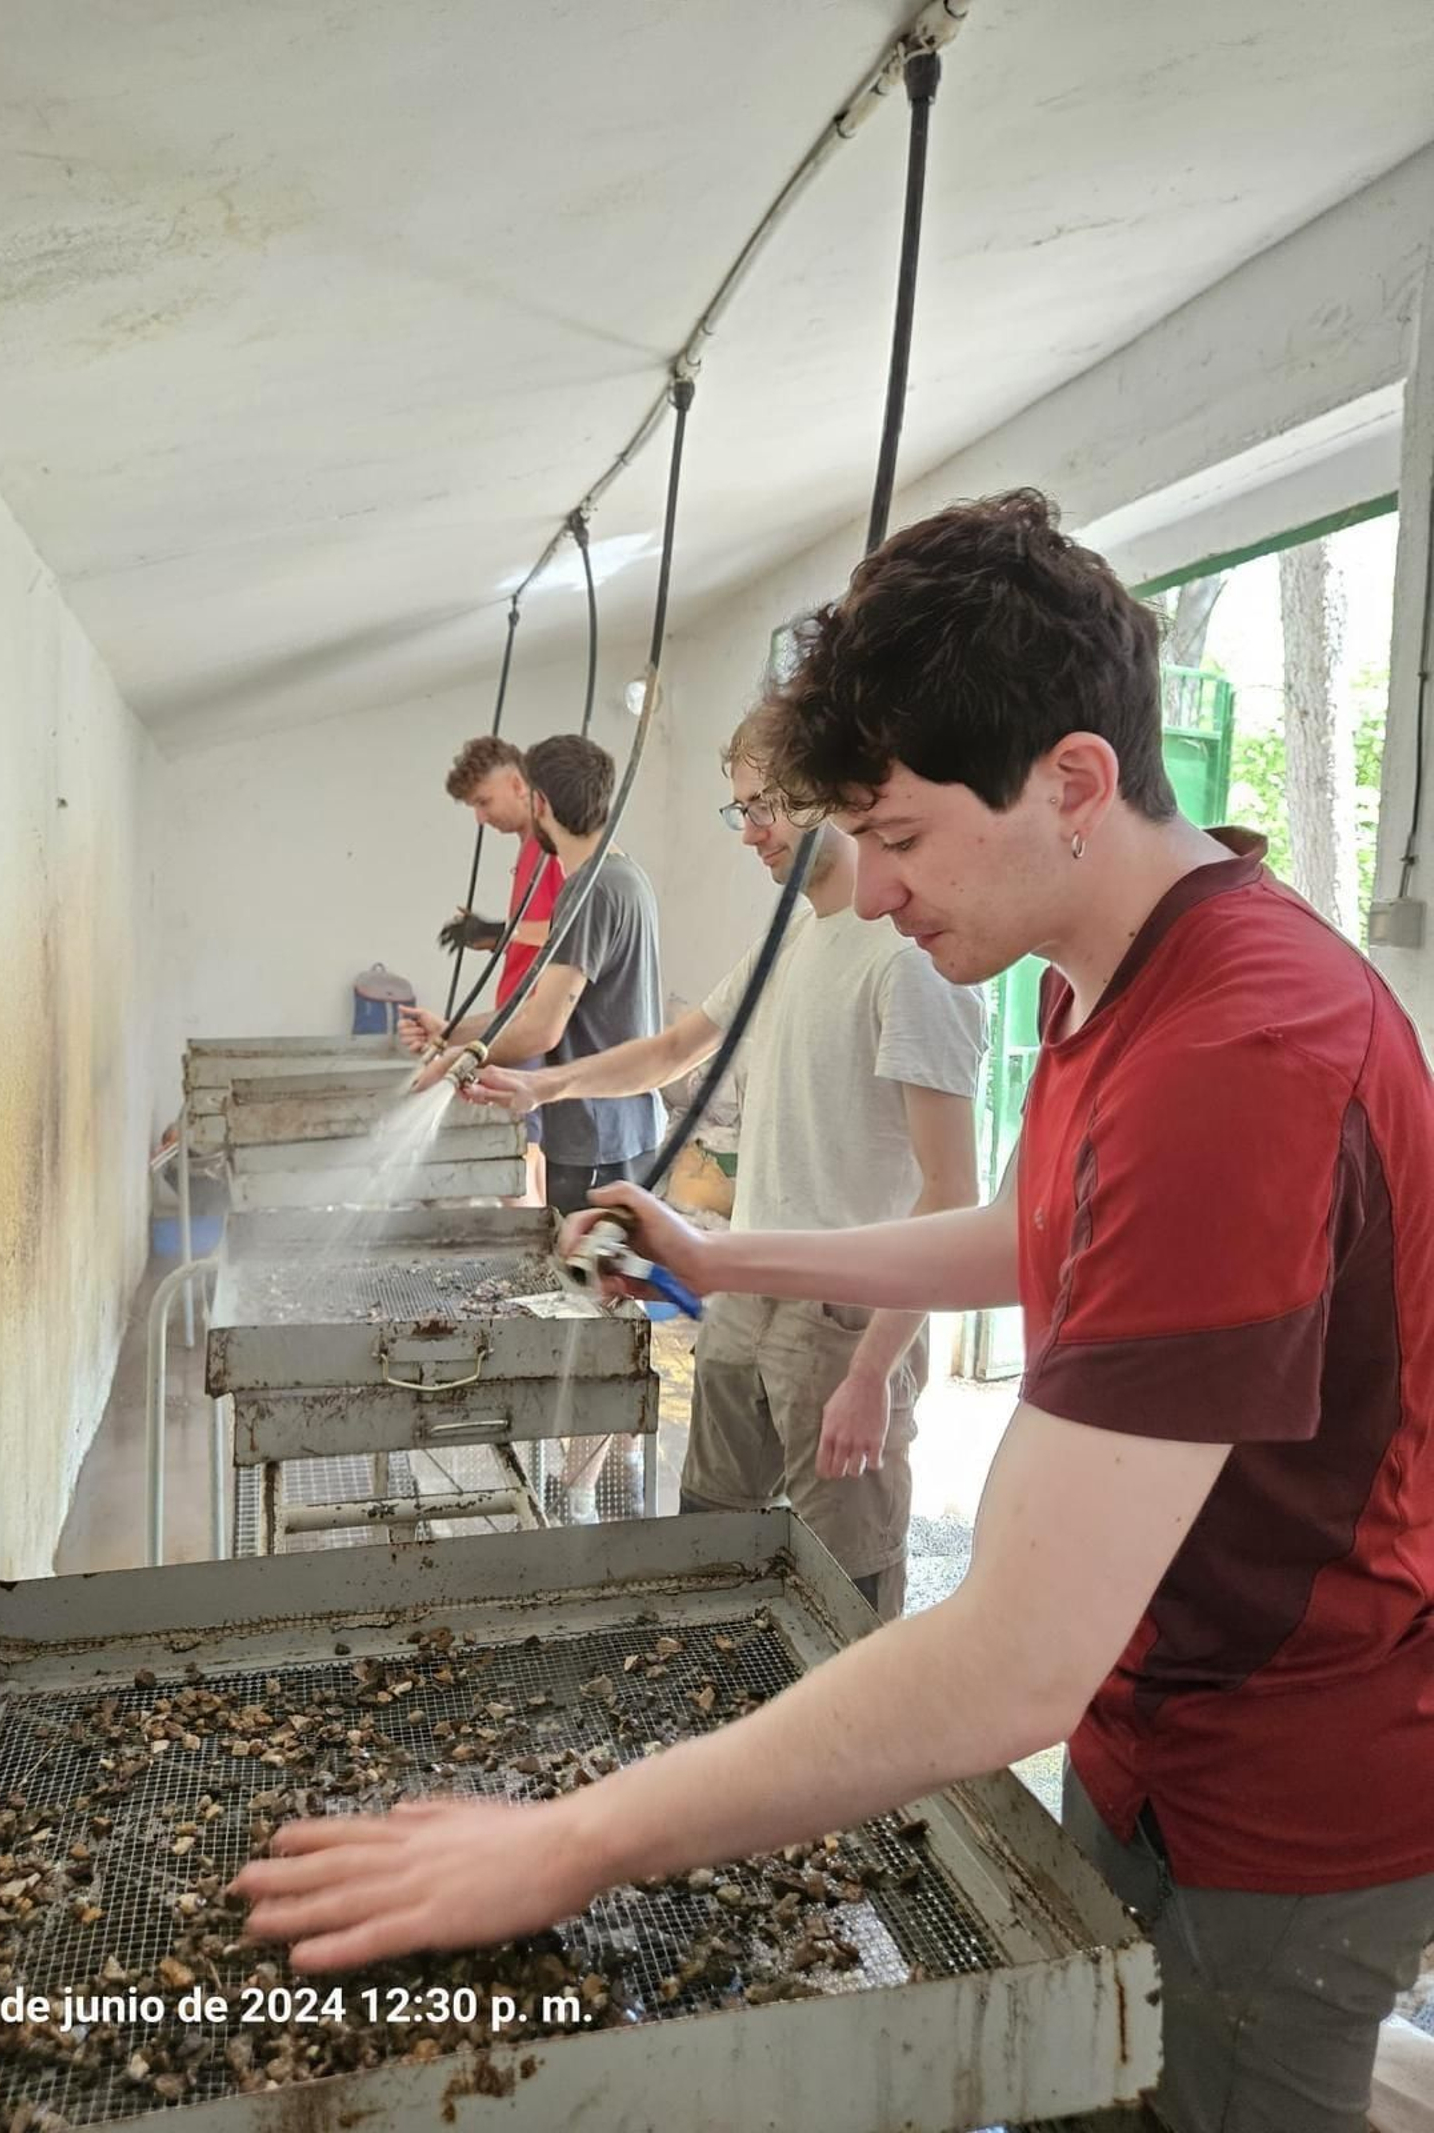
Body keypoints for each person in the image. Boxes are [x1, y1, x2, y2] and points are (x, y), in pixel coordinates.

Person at [235, 492, 1434, 2133]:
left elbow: (1011, 1653)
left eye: (905, 838)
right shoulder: (1119, 979)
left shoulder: (1238, 1052)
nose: (867, 893)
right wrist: (728, 1263)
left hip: (1298, 1766)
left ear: (1073, 784)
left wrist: (568, 1835)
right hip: (1152, 1715)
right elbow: (1037, 1232)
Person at [461, 709, 985, 1597]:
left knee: (842, 1583)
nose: (749, 832)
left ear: (832, 793)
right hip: (749, 1292)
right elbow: (675, 1050)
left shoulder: (908, 963)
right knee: (710, 1540)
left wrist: (873, 1371)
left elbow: (953, 1197)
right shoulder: (788, 938)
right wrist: (542, 1086)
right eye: (737, 809)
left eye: (767, 805)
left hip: (845, 1318)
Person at [402, 733, 666, 1512]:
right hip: (625, 1127)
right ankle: (615, 1459)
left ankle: (577, 1491)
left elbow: (543, 1025)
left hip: (594, 1132)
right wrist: (456, 1029)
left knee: (589, 1303)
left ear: (539, 803)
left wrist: (459, 1048)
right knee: (618, 1289)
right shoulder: (628, 877)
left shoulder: (588, 888)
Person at [437, 736, 565, 1204]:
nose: (479, 817)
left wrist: (496, 930)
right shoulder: (528, 847)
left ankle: (530, 1257)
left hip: (531, 1015)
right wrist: (488, 935)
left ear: (517, 783)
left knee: (517, 1155)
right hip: (512, 1010)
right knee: (523, 1150)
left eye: (483, 802)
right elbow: (530, 931)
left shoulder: (553, 847)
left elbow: (563, 930)